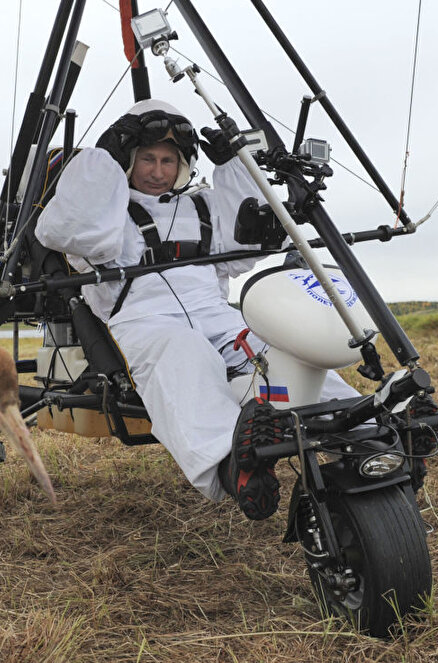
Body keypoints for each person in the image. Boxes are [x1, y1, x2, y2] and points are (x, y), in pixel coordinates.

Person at [35, 99, 357, 519]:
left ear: (183, 163)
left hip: (217, 315)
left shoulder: (201, 205)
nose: (157, 171)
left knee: (276, 351)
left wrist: (234, 168)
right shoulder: (106, 211)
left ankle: (362, 432)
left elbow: (247, 246)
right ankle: (234, 464)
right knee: (185, 352)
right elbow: (66, 232)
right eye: (146, 158)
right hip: (144, 322)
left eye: (168, 160)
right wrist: (102, 160)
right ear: (127, 160)